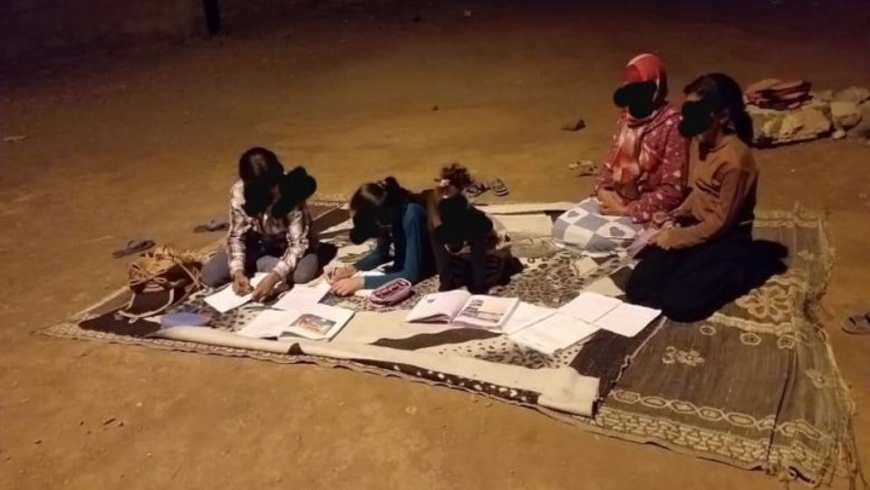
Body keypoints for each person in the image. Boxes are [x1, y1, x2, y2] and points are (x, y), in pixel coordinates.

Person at [625, 73, 759, 322]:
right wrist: (675, 214)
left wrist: (676, 238)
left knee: (681, 305)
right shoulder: (704, 143)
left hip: (725, 236)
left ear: (722, 116)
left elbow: (721, 222)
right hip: (699, 228)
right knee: (638, 288)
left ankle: (738, 269)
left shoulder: (735, 161)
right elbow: (701, 192)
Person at [552, 53, 688, 257]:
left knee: (594, 239)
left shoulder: (674, 125)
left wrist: (627, 210)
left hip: (648, 210)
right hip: (617, 199)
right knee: (561, 228)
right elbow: (610, 165)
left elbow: (672, 191)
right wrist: (602, 191)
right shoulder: (627, 117)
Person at [201, 147, 322, 302]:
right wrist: (238, 271)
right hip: (258, 244)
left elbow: (298, 244)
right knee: (210, 274)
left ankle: (264, 266)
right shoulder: (239, 193)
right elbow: (236, 237)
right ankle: (263, 265)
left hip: (288, 244)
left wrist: (274, 277)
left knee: (302, 274)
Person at [327, 177, 435, 296]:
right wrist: (352, 269)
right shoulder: (384, 215)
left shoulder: (412, 214)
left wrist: (361, 282)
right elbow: (382, 253)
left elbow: (411, 274)